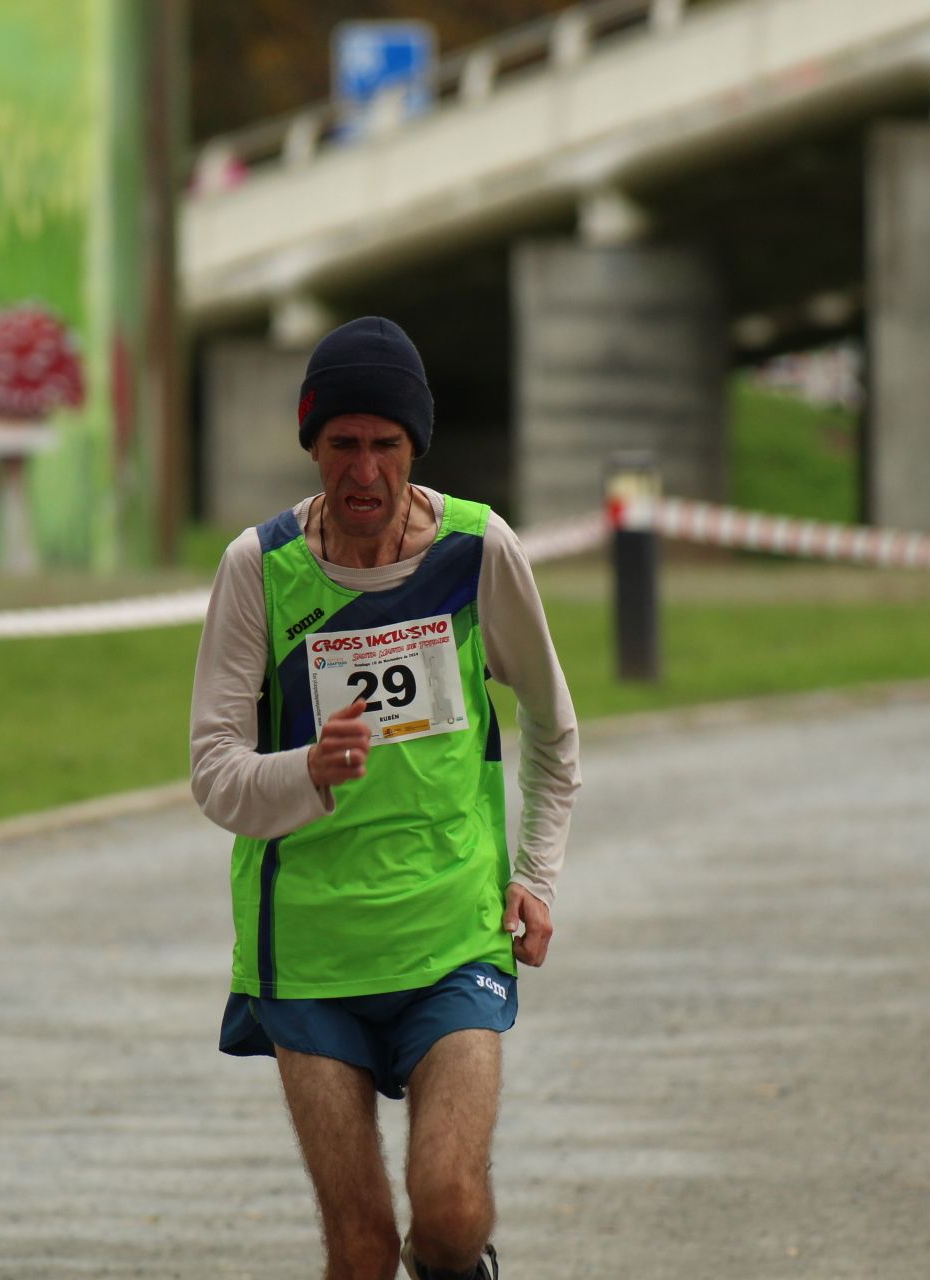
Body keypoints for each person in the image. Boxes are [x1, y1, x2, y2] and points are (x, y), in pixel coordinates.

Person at [190, 315, 580, 1280]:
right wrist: (306, 771)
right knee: (361, 1251)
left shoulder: (475, 551)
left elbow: (554, 728)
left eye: (386, 446)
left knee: (447, 1221)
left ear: (416, 447)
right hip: (312, 953)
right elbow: (214, 772)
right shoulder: (261, 569)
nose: (363, 472)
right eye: (342, 445)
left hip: (452, 933)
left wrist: (536, 877)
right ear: (312, 446)